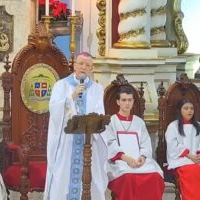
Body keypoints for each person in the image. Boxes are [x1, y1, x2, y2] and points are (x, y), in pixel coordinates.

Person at [43, 52, 108, 200]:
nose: (83, 67)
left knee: (92, 179)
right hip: (67, 142)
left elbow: (99, 113)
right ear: (74, 65)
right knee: (63, 176)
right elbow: (54, 110)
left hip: (89, 142)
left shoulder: (97, 89)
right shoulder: (61, 85)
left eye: (88, 65)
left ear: (91, 69)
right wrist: (71, 97)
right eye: (81, 64)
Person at [105, 86, 164, 200]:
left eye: (130, 100)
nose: (127, 103)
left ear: (133, 101)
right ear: (118, 102)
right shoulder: (111, 121)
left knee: (155, 176)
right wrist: (125, 158)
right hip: (119, 161)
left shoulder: (139, 121)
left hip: (139, 160)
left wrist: (142, 157)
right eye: (124, 100)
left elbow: (145, 143)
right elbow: (110, 144)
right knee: (128, 177)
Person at [166, 99, 200, 200]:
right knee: (193, 171)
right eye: (186, 108)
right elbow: (172, 146)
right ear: (180, 110)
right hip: (181, 160)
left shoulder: (198, 125)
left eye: (191, 108)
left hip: (197, 159)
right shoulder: (173, 126)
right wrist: (189, 155)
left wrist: (197, 156)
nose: (189, 111)